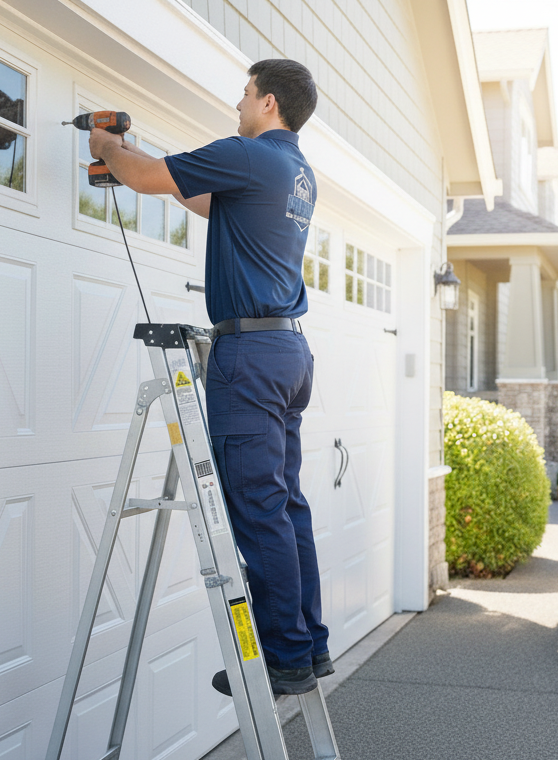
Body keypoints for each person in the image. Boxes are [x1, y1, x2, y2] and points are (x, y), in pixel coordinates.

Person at [88, 59, 328, 696]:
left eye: (246, 93)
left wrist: (107, 146)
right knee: (286, 505)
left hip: (247, 360)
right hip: (287, 356)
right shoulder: (296, 172)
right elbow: (191, 195)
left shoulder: (249, 156)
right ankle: (310, 643)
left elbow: (145, 179)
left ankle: (283, 657)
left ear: (269, 102)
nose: (239, 102)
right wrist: (135, 157)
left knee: (257, 509)